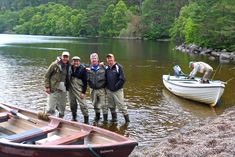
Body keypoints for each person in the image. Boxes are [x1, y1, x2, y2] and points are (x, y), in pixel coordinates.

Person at [44, 51, 70, 118]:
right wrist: (47, 87)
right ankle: (48, 119)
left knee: (62, 108)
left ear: (68, 58)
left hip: (63, 88)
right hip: (54, 87)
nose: (65, 58)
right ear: (61, 57)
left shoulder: (69, 66)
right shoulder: (54, 64)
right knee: (51, 108)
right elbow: (47, 76)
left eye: (66, 57)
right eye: (64, 57)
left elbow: (78, 66)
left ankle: (60, 119)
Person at [105, 53, 130, 123]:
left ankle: (127, 121)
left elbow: (123, 79)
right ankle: (114, 120)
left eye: (111, 58)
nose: (109, 59)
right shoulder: (106, 68)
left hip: (117, 91)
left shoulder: (119, 67)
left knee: (122, 106)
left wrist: (115, 87)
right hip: (109, 91)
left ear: (114, 58)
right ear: (107, 60)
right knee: (111, 106)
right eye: (108, 58)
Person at [87, 52, 108, 122]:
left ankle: (105, 120)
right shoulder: (88, 68)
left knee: (104, 105)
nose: (94, 60)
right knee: (95, 105)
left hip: (102, 89)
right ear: (90, 60)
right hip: (93, 90)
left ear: (98, 59)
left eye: (95, 58)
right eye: (92, 58)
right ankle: (97, 117)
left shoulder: (103, 67)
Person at [68, 56, 89, 123]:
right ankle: (74, 117)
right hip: (71, 90)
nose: (76, 62)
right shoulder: (69, 67)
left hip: (79, 90)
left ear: (79, 62)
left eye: (77, 61)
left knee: (83, 105)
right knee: (72, 104)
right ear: (72, 62)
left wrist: (83, 92)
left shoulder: (83, 69)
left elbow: (85, 82)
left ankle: (86, 120)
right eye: (74, 61)